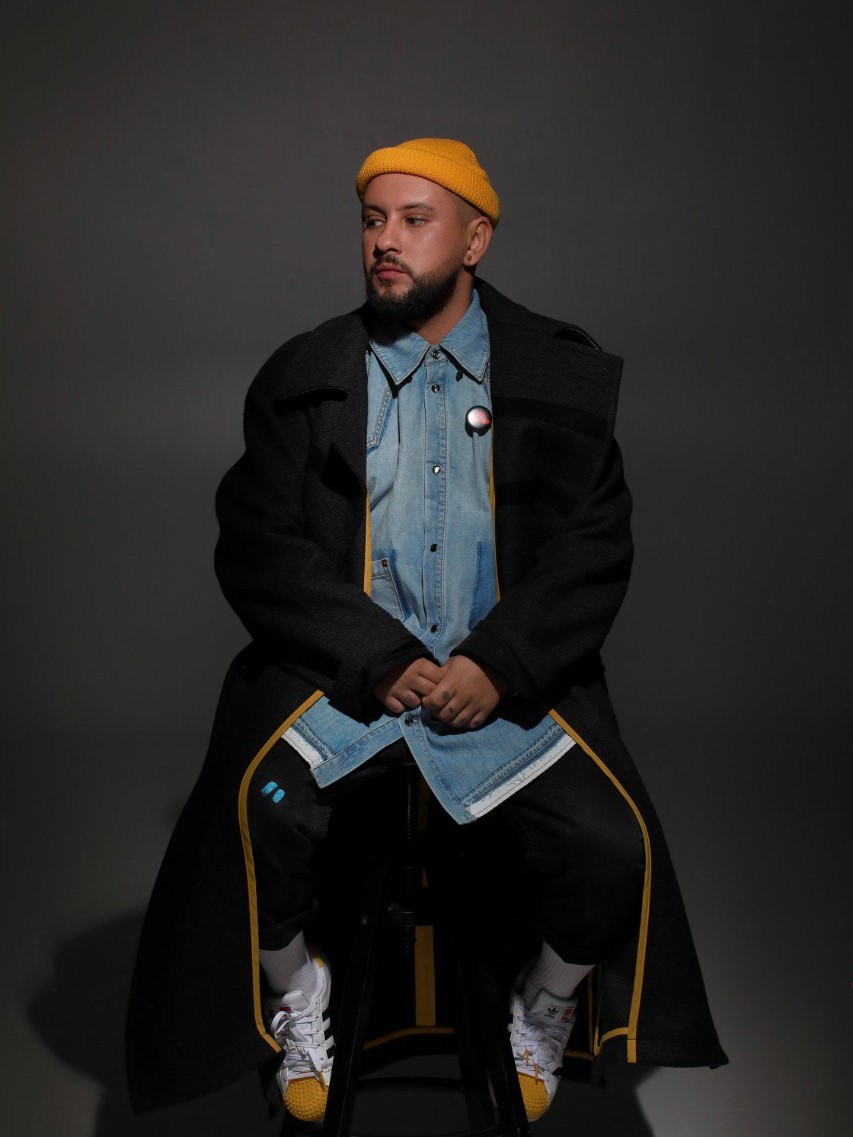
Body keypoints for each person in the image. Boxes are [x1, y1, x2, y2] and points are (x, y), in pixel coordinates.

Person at [126, 138, 726, 1125]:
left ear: (475, 240)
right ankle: (299, 991)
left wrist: (500, 661)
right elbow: (258, 543)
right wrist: (375, 655)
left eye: (414, 220)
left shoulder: (559, 377)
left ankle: (543, 1004)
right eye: (373, 220)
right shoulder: (304, 375)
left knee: (611, 847)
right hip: (342, 687)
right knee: (256, 818)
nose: (385, 241)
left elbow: (594, 546)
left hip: (504, 693)